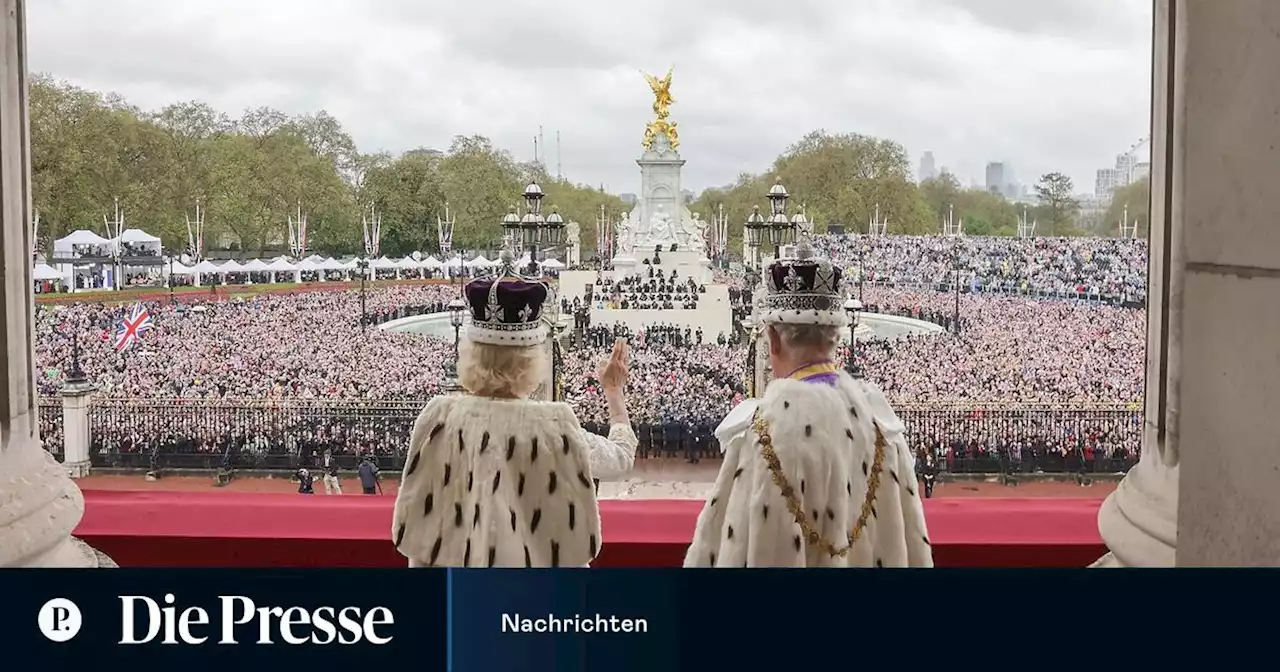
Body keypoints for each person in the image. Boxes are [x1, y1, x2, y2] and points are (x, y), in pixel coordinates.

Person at [684, 243, 933, 568]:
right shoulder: (882, 424)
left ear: (772, 339)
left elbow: (744, 551)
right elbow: (913, 548)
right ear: (835, 336)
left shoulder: (764, 431)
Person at [392, 268, 637, 567]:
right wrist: (613, 393)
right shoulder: (554, 425)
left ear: (470, 354)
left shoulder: (438, 417)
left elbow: (420, 532)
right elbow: (620, 459)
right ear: (531, 360)